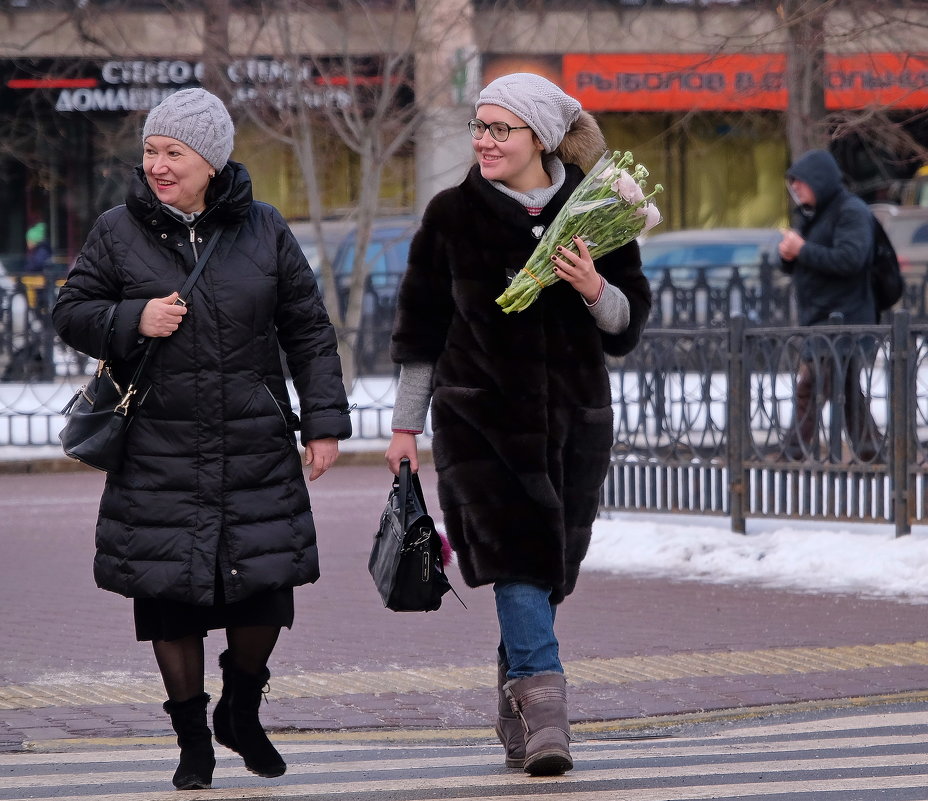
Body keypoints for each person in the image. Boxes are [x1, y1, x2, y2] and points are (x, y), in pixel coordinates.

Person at [53, 88, 352, 791]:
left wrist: (327, 422)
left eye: (173, 153)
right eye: (152, 150)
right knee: (168, 596)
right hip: (158, 449)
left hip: (253, 443)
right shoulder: (116, 231)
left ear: (211, 161)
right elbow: (71, 312)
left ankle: (240, 711)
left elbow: (308, 329)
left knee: (265, 592)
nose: (157, 164)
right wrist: (132, 317)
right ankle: (193, 739)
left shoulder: (265, 229)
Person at [385, 73, 651, 776]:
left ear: (540, 136)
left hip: (575, 423)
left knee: (548, 569)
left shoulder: (597, 208)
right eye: (479, 126)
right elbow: (421, 329)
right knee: (516, 559)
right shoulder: (450, 215)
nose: (484, 140)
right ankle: (550, 722)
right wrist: (405, 428)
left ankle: (518, 696)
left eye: (500, 129)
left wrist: (596, 289)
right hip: (481, 423)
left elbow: (628, 324)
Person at [778, 148, 882, 462]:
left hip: (843, 319)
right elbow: (799, 260)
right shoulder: (812, 215)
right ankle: (872, 451)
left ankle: (793, 452)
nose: (796, 189)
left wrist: (803, 249)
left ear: (819, 181)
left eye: (800, 182)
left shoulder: (850, 211)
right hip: (820, 317)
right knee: (847, 389)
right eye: (792, 183)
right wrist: (787, 255)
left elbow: (851, 259)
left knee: (811, 386)